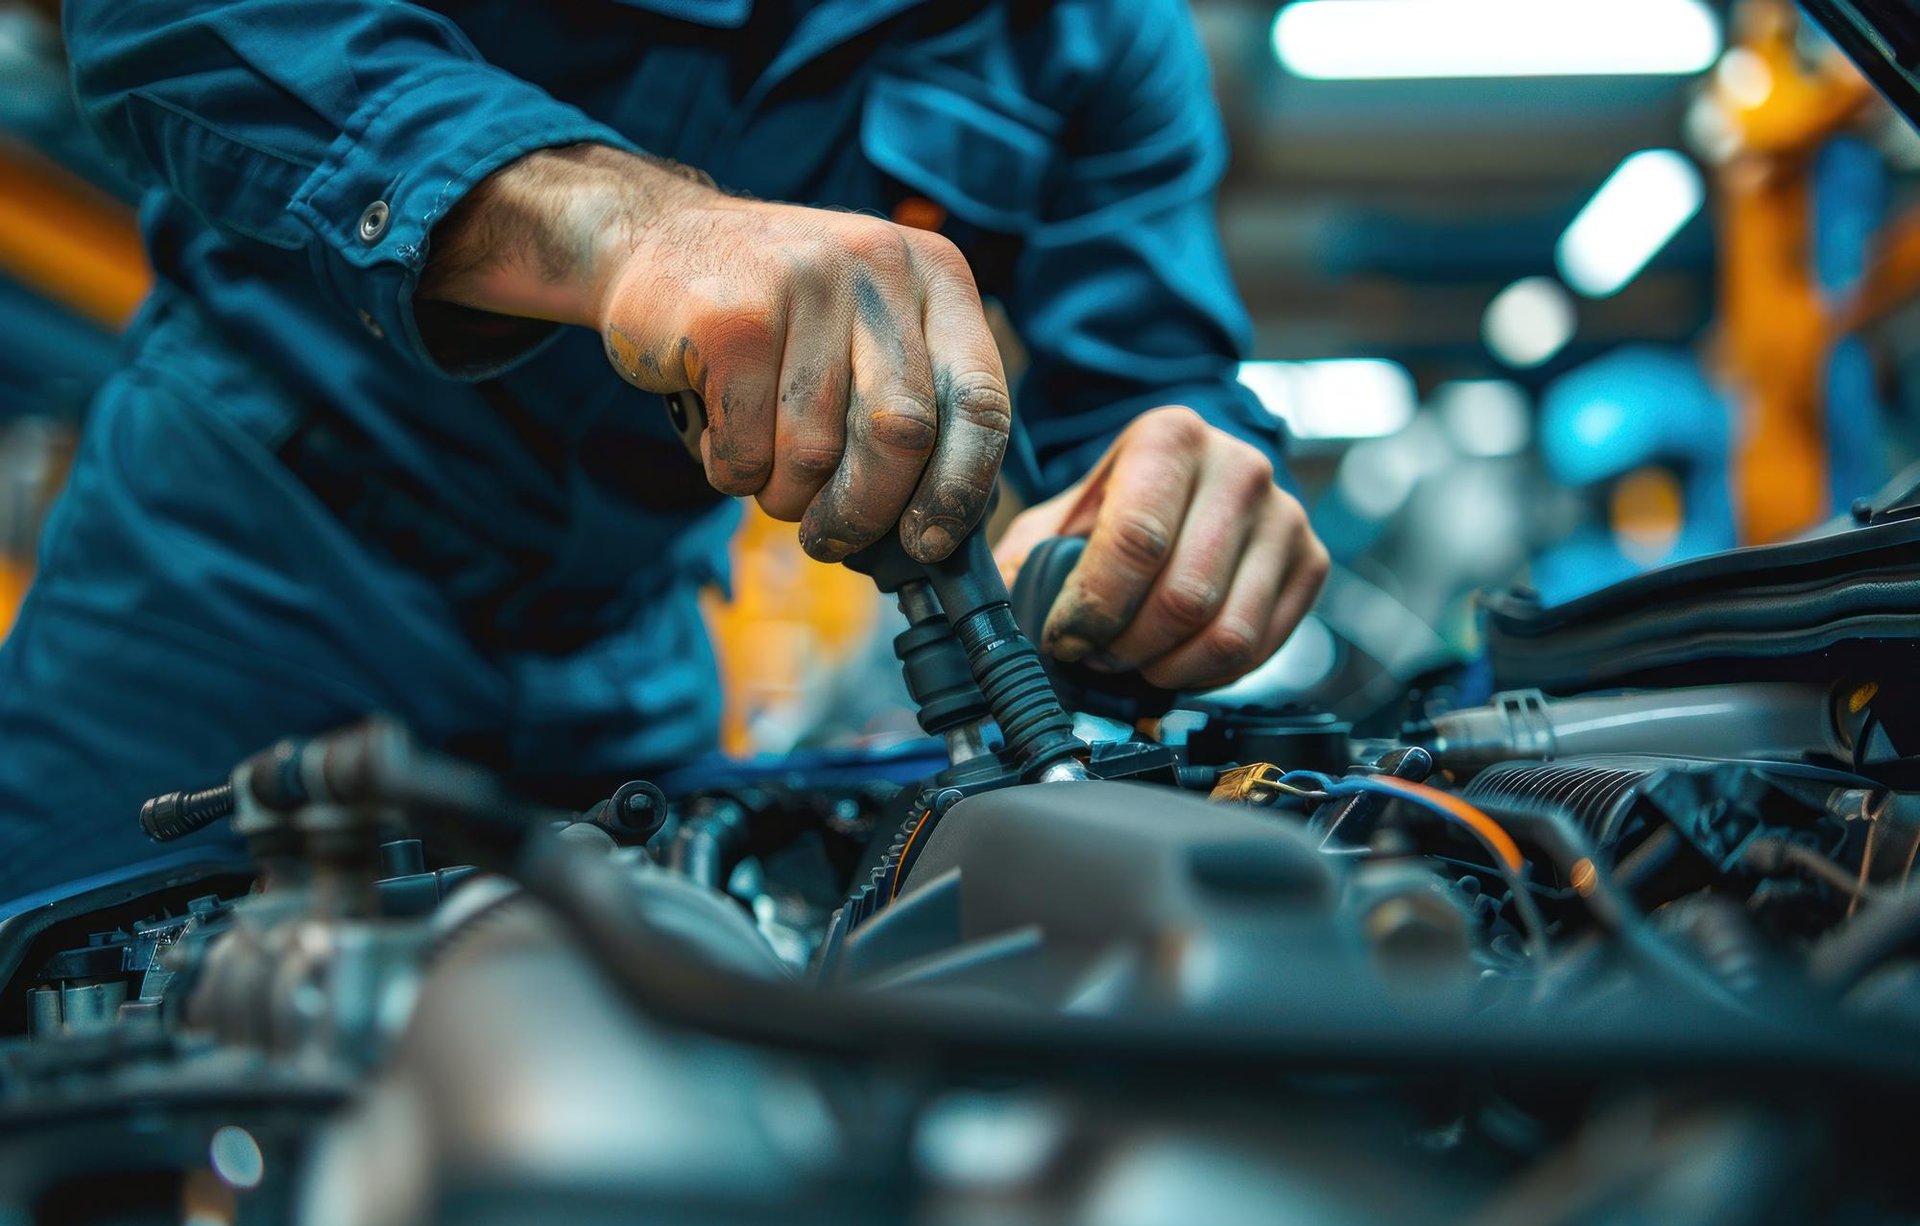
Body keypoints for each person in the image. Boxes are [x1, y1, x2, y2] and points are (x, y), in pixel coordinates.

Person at [0, 0, 1326, 895]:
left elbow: (1155, 379)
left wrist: (1186, 473)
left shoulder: (1095, 35)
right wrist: (632, 230)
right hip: (230, 581)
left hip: (626, 659)